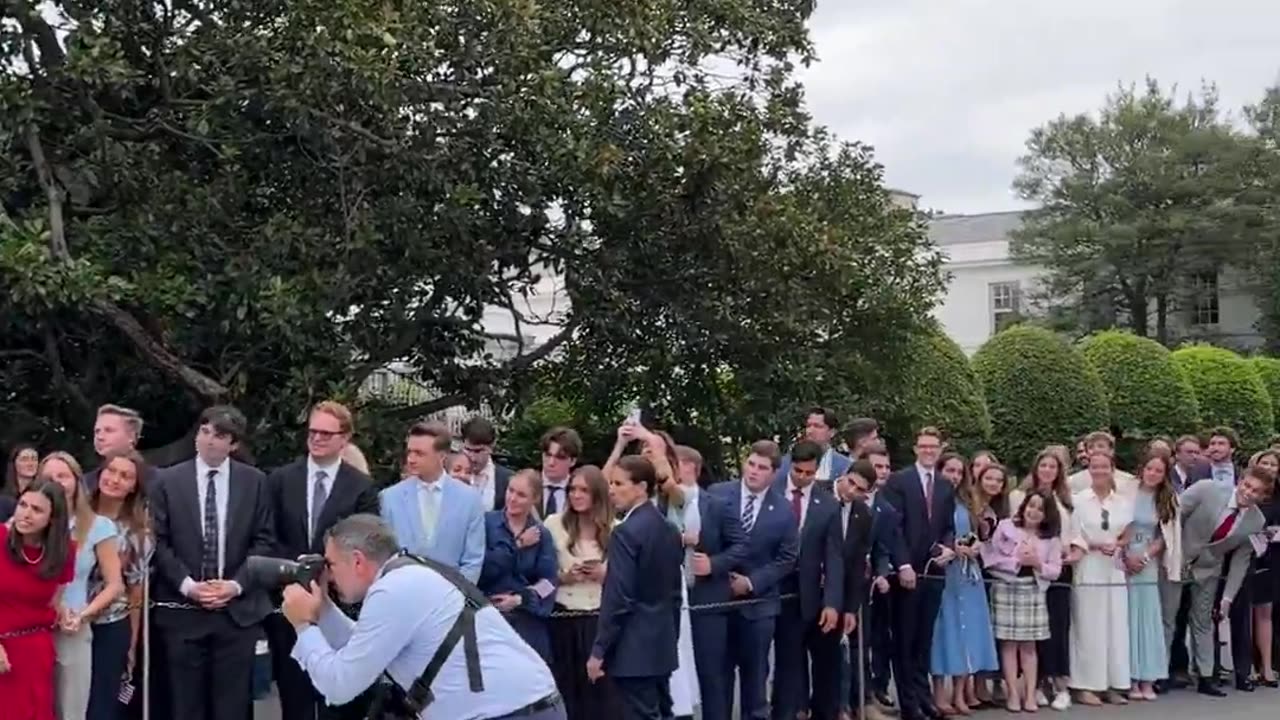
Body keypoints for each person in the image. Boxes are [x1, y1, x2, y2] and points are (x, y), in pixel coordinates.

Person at [282, 514, 565, 719]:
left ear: (357, 560)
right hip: (521, 708)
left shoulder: (393, 590)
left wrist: (303, 625)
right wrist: (323, 606)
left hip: (512, 713)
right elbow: (362, 647)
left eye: (331, 565)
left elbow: (340, 686)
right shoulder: (409, 575)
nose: (329, 575)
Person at [150, 405, 276, 720]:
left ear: (234, 444)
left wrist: (235, 585)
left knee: (231, 708)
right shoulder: (167, 480)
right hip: (182, 612)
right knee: (185, 707)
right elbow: (158, 541)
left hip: (235, 615)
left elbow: (264, 540)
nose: (208, 440)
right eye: (204, 432)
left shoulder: (255, 482)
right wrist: (188, 586)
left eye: (219, 436)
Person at [266, 401, 381, 720]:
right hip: (288, 603)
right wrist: (294, 573)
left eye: (326, 434)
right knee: (294, 700)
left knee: (337, 703)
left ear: (345, 438)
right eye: (312, 431)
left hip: (338, 606)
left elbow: (365, 544)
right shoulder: (280, 479)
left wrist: (327, 574)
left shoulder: (360, 487)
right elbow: (266, 534)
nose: (316, 438)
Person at [588, 455, 684, 720]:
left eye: (619, 484)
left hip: (633, 651)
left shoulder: (626, 533)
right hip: (661, 645)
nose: (611, 490)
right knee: (662, 712)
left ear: (641, 487)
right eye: (611, 483)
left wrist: (599, 650)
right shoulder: (669, 529)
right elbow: (674, 594)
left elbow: (619, 597)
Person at [880, 427, 956, 720]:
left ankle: (924, 698)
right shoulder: (899, 481)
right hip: (907, 574)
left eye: (933, 446)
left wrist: (948, 548)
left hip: (934, 573)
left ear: (940, 449)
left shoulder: (945, 485)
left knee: (924, 640)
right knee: (905, 639)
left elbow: (948, 526)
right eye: (923, 446)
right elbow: (894, 527)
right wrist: (902, 565)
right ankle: (909, 703)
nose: (928, 451)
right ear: (915, 449)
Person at [41, 452, 123, 720]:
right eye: (48, 477)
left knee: (71, 711)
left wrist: (83, 615)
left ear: (76, 481)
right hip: (31, 627)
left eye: (62, 476)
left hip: (72, 628)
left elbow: (114, 585)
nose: (56, 483)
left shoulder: (99, 526)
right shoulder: (25, 523)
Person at [1179, 463, 1272, 697]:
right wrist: (1166, 552)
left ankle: (1206, 677)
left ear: (1262, 497)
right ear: (1239, 481)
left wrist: (1228, 598)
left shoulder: (1256, 521)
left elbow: (1241, 561)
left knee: (1203, 622)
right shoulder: (1207, 489)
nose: (1248, 493)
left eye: (1255, 491)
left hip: (1209, 570)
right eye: (1246, 486)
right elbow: (1174, 514)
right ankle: (1158, 676)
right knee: (1168, 619)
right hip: (1177, 559)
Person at [545, 466, 620, 720]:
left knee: (601, 695)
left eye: (584, 490)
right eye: (572, 489)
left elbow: (629, 580)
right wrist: (564, 577)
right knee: (567, 689)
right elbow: (540, 575)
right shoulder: (554, 524)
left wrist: (605, 574)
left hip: (599, 619)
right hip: (563, 617)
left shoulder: (617, 529)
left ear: (597, 494)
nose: (576, 495)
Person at [0, 479, 76, 720]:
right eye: (23, 505)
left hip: (35, 651)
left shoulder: (64, 552)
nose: (26, 514)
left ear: (52, 519)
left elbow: (55, 602)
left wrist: (66, 615)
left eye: (37, 509)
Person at [982, 490, 1062, 713]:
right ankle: (1012, 694)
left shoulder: (1051, 539)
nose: (1033, 512)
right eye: (1031, 505)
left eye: (1040, 509)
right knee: (1008, 644)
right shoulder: (1006, 526)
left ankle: (1030, 695)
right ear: (1024, 506)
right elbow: (990, 558)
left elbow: (1055, 571)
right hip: (1006, 588)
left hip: (1033, 590)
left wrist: (1037, 563)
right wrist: (1016, 561)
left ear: (1047, 514)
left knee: (1029, 646)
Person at [379, 421, 486, 582]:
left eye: (419, 453)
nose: (411, 459)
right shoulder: (389, 498)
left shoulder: (470, 499)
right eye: (409, 452)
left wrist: (457, 593)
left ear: (442, 456)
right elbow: (384, 554)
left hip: (452, 591)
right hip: (402, 588)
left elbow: (473, 560)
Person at [1068, 452, 1133, 705]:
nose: (1099, 471)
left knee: (1114, 626)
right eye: (1094, 467)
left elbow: (1128, 532)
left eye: (1104, 467)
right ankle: (1086, 685)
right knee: (1089, 626)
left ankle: (1112, 683)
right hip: (1089, 565)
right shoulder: (1078, 500)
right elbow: (1073, 534)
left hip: (1113, 567)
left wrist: (1118, 543)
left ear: (1112, 469)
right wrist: (1093, 545)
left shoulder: (1122, 501)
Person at [479, 470, 559, 661]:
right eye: (511, 490)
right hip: (488, 616)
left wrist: (521, 599)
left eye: (521, 495)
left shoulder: (541, 535)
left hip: (526, 623)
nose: (513, 498)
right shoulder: (486, 523)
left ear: (534, 499)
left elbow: (549, 582)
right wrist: (517, 546)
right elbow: (482, 568)